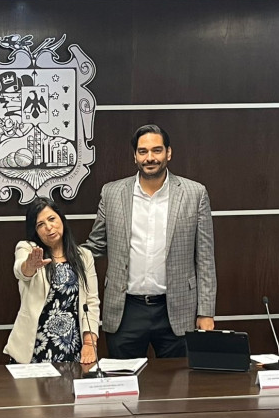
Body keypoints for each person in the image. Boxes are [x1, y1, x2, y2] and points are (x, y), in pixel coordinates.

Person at [84, 124, 217, 359]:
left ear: (168, 153)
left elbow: (205, 258)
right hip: (126, 310)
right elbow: (95, 245)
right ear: (134, 156)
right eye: (143, 151)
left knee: (178, 380)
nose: (150, 158)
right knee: (123, 378)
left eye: (157, 150)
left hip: (177, 310)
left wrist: (206, 312)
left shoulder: (195, 193)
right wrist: (60, 255)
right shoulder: (112, 193)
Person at [4, 197, 100, 364]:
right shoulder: (28, 249)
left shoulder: (84, 256)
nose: (48, 227)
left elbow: (91, 302)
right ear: (35, 230)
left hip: (72, 346)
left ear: (61, 219)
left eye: (51, 219)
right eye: (40, 224)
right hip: (35, 347)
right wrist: (30, 266)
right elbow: (20, 270)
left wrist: (89, 343)